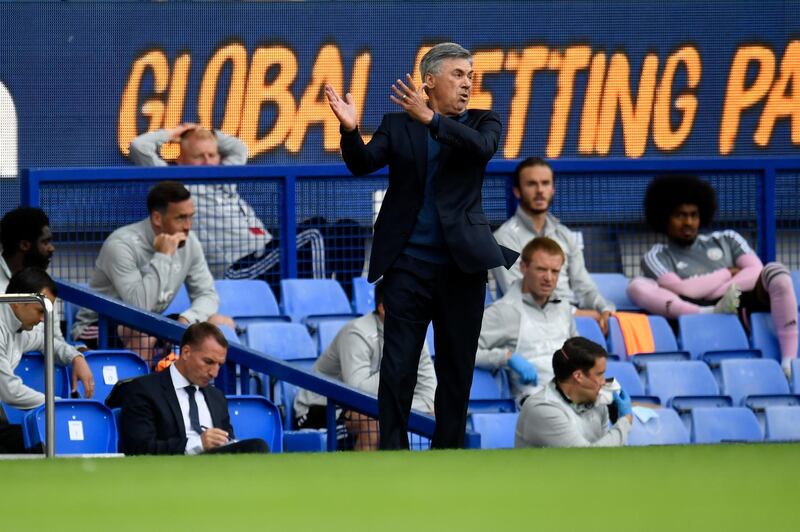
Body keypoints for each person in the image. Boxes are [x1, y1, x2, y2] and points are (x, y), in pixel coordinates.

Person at [326, 42, 516, 449]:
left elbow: (481, 149)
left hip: (462, 269)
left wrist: (431, 119)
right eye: (458, 75)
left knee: (455, 369)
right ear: (430, 81)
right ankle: (392, 453)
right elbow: (361, 163)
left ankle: (447, 453)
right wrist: (348, 130)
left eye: (471, 76)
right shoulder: (397, 124)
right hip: (408, 265)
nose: (468, 84)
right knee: (397, 367)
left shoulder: (485, 122)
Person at [627, 174, 798, 375]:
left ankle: (789, 363)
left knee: (776, 273)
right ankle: (709, 312)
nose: (688, 222)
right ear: (664, 217)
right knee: (636, 285)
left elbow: (755, 271)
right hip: (692, 310)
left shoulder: (728, 239)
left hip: (739, 303)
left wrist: (726, 293)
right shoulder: (656, 256)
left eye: (694, 215)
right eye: (680, 215)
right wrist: (727, 273)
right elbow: (685, 289)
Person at [129, 124, 325, 280]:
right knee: (315, 233)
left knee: (343, 229)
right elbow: (139, 146)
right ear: (181, 162)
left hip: (268, 258)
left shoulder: (225, 177)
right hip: (239, 271)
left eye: (212, 155)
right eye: (198, 156)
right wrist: (176, 133)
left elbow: (239, 148)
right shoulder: (177, 188)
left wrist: (208, 133)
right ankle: (326, 305)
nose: (207, 162)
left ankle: (346, 298)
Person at [71, 181, 233, 363]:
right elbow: (138, 308)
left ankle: (206, 390)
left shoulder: (190, 242)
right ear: (157, 218)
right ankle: (142, 390)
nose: (188, 226)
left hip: (151, 322)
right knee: (143, 331)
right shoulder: (121, 245)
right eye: (180, 218)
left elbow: (207, 295)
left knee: (218, 323)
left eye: (191, 217)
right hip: (101, 325)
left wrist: (187, 320)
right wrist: (163, 256)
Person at [294, 280, 436, 450]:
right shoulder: (356, 333)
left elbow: (429, 396)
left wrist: (400, 408)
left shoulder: (414, 335)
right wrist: (398, 366)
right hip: (321, 409)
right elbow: (357, 392)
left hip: (370, 406)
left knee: (437, 416)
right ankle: (364, 477)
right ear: (383, 308)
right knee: (371, 422)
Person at [491, 157, 615, 333]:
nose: (540, 190)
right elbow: (521, 294)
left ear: (553, 189)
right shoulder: (504, 238)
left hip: (577, 319)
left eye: (545, 183)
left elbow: (584, 286)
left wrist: (605, 309)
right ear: (517, 191)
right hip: (533, 327)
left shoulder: (564, 235)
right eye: (532, 184)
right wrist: (578, 314)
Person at [119, 322, 268, 455]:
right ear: (186, 352)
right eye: (208, 362)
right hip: (170, 474)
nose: (214, 373)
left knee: (256, 446)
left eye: (219, 365)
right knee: (257, 447)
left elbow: (226, 442)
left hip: (218, 472)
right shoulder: (143, 389)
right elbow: (139, 449)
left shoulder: (217, 397)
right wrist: (198, 444)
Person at [0, 268, 95, 453]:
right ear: (18, 302)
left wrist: (76, 357)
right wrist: (58, 404)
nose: (44, 320)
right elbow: (10, 391)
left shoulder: (19, 326)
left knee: (37, 443)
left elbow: (47, 341)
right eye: (40, 311)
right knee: (36, 444)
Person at [477, 237, 577, 403]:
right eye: (541, 269)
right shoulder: (504, 311)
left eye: (555, 271)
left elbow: (579, 354)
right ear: (523, 267)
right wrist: (506, 357)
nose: (548, 278)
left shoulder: (563, 308)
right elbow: (462, 350)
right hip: (535, 403)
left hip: (573, 396)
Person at [515, 337, 632, 448]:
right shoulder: (542, 409)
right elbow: (585, 458)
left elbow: (610, 457)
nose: (603, 382)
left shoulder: (598, 404)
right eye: (599, 375)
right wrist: (625, 421)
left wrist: (617, 418)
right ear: (578, 376)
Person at [0, 207, 83, 350]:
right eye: (45, 242)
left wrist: (75, 353)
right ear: (25, 245)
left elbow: (55, 339)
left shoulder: (43, 284)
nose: (52, 248)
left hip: (41, 368)